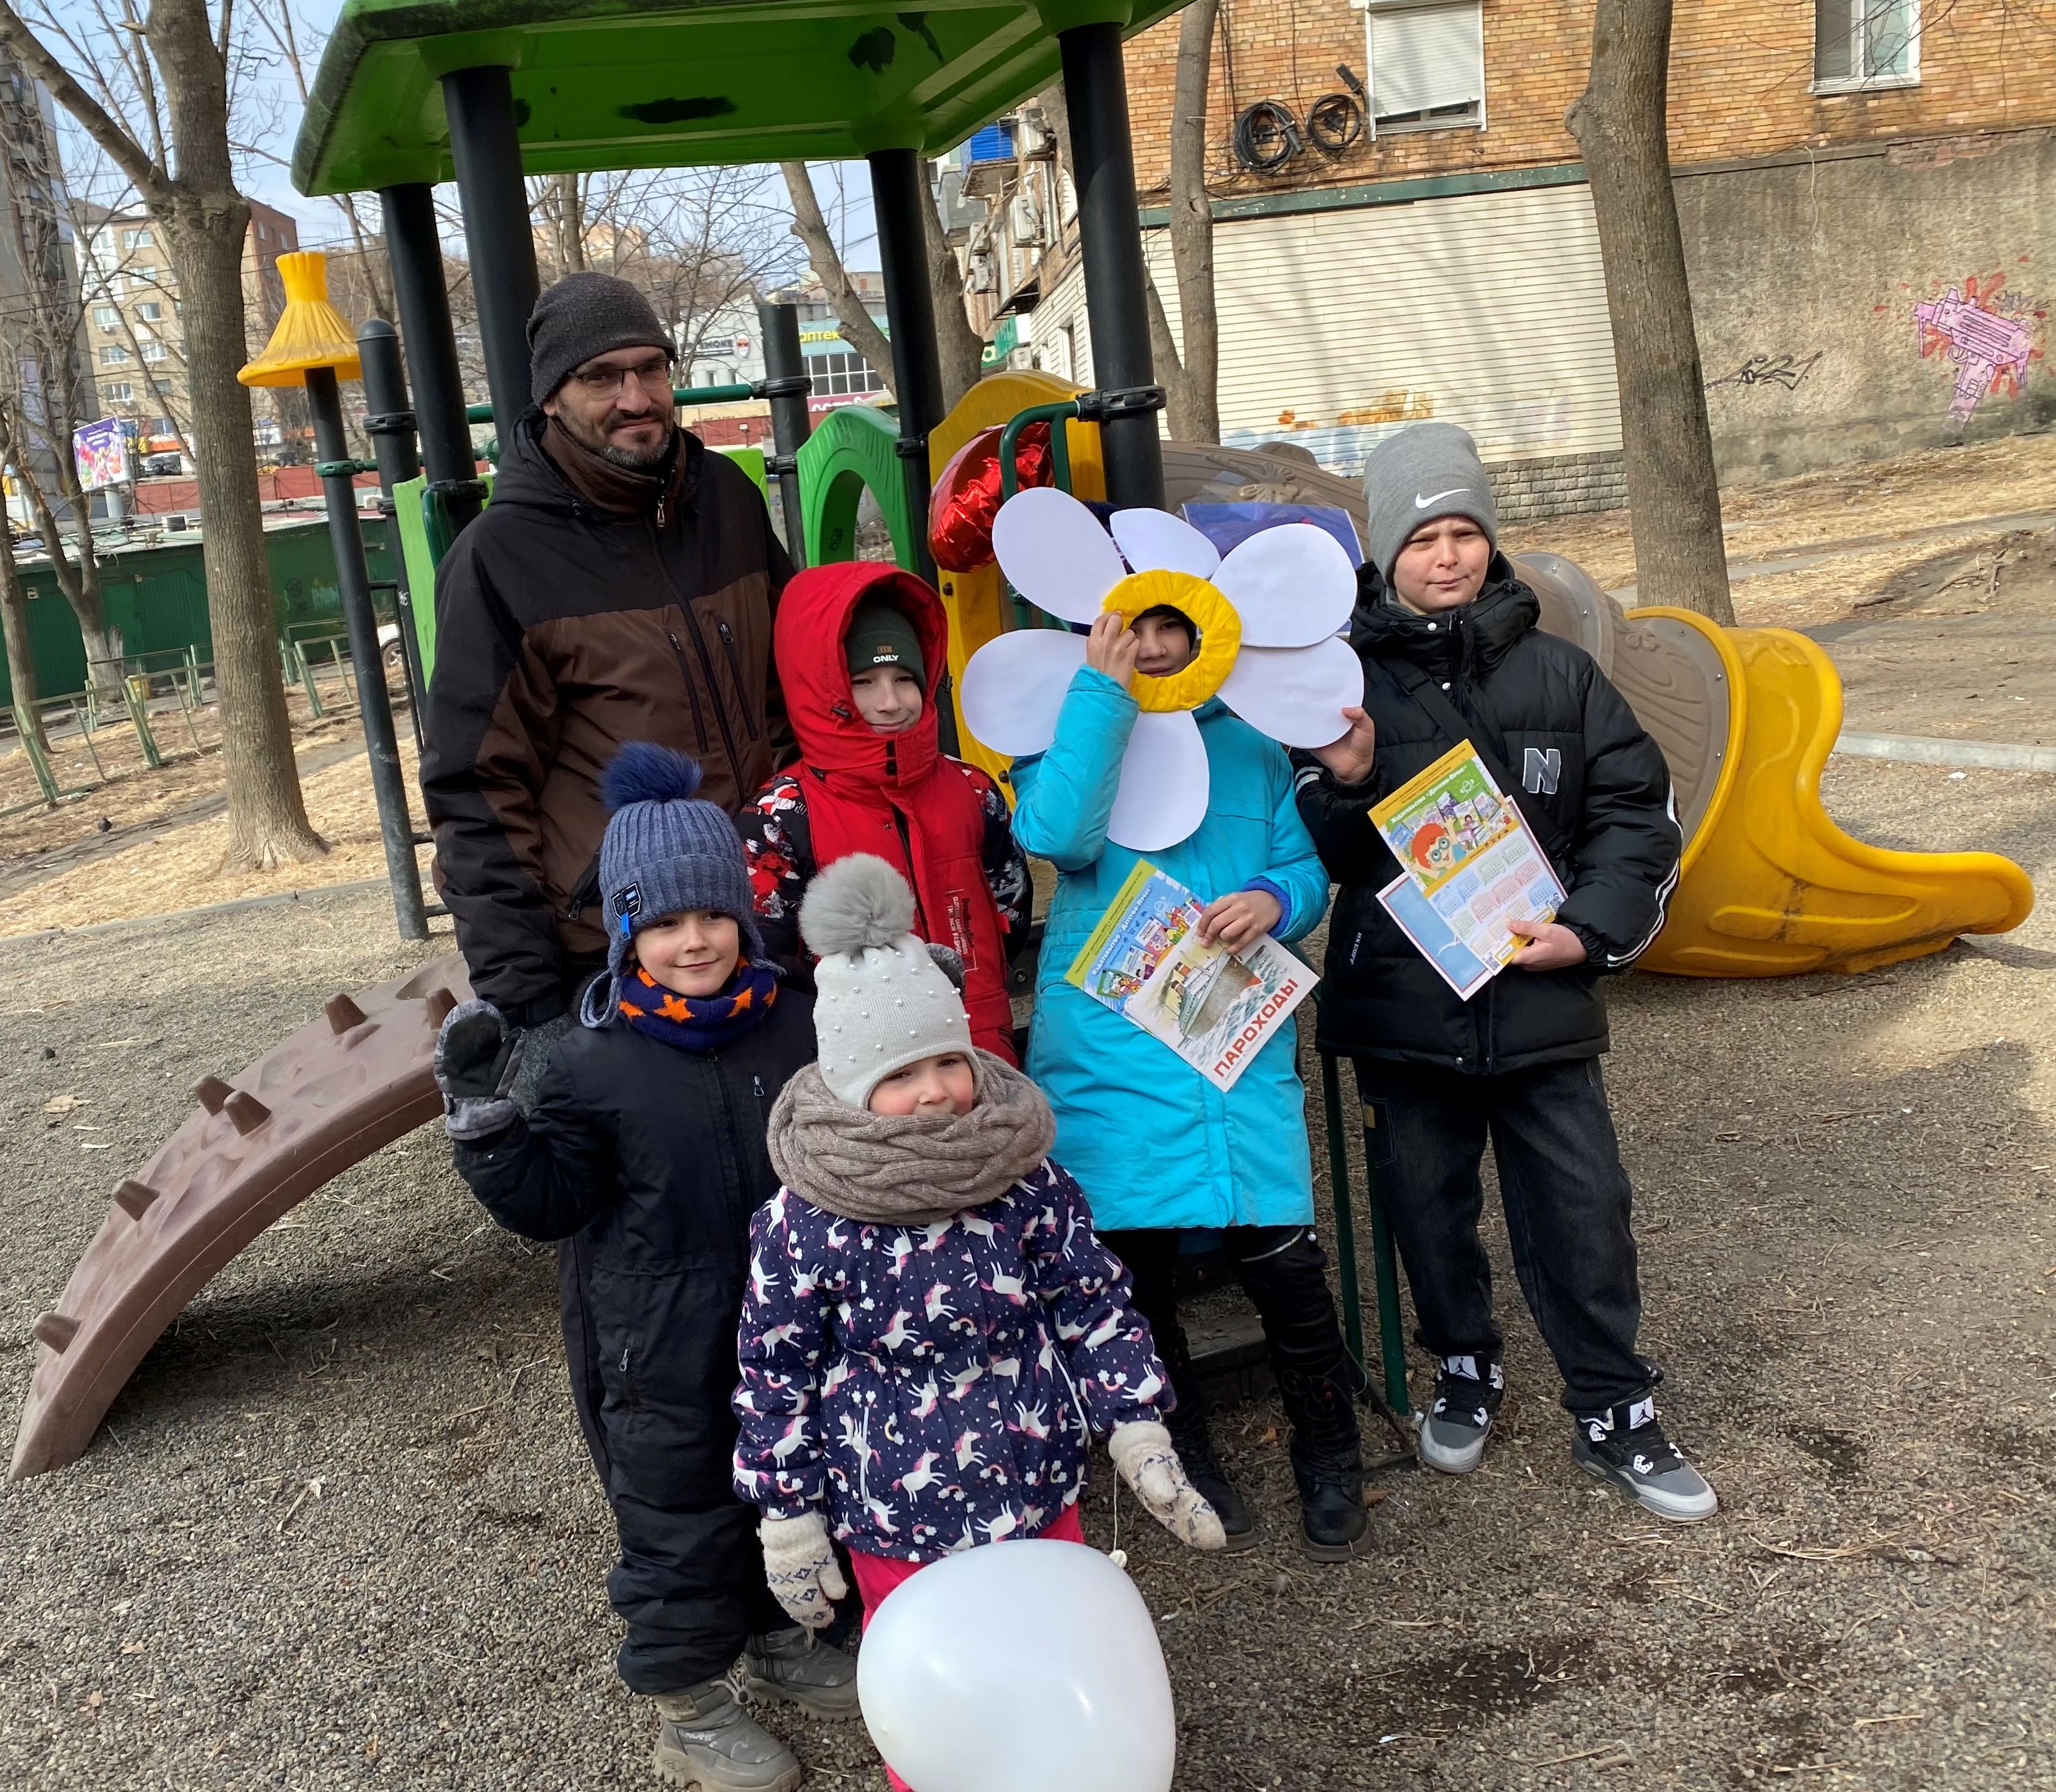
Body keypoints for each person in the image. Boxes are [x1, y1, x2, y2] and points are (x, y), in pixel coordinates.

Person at [733, 855, 1227, 1792]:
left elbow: (1091, 1302)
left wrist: (1136, 1425)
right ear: (849, 1083)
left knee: (1056, 1658)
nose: (934, 1091)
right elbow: (774, 1372)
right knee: (937, 1698)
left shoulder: (1022, 1178)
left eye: (947, 1061)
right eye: (899, 1073)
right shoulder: (807, 1220)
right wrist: (787, 1512)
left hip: (1036, 1483)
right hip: (896, 1511)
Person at [1294, 420, 1713, 1522]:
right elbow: (1328, 857)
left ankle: (1615, 1406)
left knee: (1584, 1205)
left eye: (1463, 532)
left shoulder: (1561, 673)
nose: (1447, 556)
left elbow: (1636, 814)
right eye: (1421, 537)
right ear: (1384, 553)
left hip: (1538, 994)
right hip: (1405, 1004)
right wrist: (1347, 782)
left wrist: (1590, 928)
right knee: (1426, 1206)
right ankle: (1463, 1362)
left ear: (1489, 539)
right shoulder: (1339, 683)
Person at [433, 743, 851, 1792]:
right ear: (627, 936)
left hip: (790, 1324)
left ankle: (782, 1636)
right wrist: (492, 1133)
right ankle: (688, 1703)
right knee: (680, 1516)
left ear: (743, 916)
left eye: (711, 914)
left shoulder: (799, 1026)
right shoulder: (589, 1060)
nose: (692, 940)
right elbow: (551, 1206)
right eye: (662, 923)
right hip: (656, 1342)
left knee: (789, 1481)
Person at [1009, 598, 1369, 1561]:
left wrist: (1273, 898)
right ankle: (1187, 1453)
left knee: (1284, 1262)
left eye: (1174, 629)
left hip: (1232, 1041)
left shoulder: (1251, 744)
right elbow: (1058, 834)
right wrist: (1103, 699)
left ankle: (1330, 1455)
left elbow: (1301, 868)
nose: (1157, 648)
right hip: (1112, 1044)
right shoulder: (1064, 723)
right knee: (1138, 1270)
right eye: (1137, 629)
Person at [423, 271, 793, 1067]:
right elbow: (476, 791)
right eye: (601, 377)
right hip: (619, 945)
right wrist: (526, 998)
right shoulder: (502, 557)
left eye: (650, 369)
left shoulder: (726, 501)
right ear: (552, 400)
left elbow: (791, 690)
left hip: (761, 917)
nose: (636, 398)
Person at [736, 562, 1031, 1059]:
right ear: (824, 692)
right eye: (864, 681)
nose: (890, 701)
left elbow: (1012, 913)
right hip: (860, 1063)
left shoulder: (972, 789)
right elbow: (770, 959)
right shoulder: (781, 814)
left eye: (904, 678)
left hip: (982, 1045)